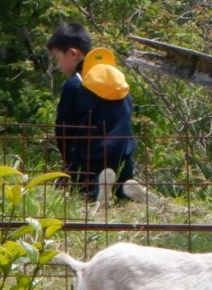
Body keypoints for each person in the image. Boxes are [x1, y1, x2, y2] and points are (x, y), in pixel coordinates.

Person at [47, 23, 143, 202]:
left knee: (81, 191)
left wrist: (68, 164)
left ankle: (97, 191)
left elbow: (64, 130)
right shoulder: (117, 78)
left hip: (90, 161)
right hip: (123, 157)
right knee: (121, 186)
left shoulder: (76, 83)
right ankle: (125, 189)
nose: (57, 65)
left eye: (57, 58)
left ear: (73, 54)